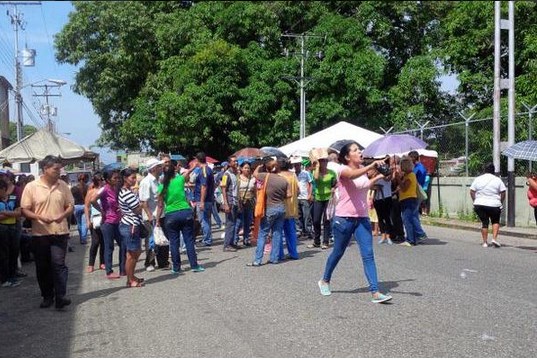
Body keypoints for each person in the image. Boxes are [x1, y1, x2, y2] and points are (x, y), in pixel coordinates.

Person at [317, 141, 392, 303]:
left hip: (362, 218)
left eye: (359, 149)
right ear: (346, 156)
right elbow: (351, 176)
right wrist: (371, 165)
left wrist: (380, 175)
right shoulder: (343, 170)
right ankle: (325, 280)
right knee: (338, 252)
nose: (360, 152)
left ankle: (375, 292)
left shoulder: (362, 172)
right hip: (344, 218)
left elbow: (363, 186)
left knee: (368, 254)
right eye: (355, 150)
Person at [20, 155, 75, 309]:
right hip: (40, 233)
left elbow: (70, 205)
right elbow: (25, 209)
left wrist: (62, 215)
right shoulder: (31, 187)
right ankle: (47, 296)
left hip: (60, 231)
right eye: (55, 169)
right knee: (43, 266)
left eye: (59, 169)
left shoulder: (62, 185)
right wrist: (39, 217)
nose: (59, 172)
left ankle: (60, 296)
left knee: (59, 264)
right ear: (45, 169)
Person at [156, 159, 204, 273]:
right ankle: (194, 266)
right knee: (189, 240)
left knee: (174, 242)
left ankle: (176, 267)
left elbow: (160, 205)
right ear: (175, 171)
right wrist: (194, 166)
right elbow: (187, 173)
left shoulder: (161, 187)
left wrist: (157, 220)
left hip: (171, 215)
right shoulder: (179, 180)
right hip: (185, 212)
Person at [247, 158, 289, 266]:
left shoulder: (266, 176)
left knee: (263, 234)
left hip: (270, 208)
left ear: (267, 168)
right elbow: (289, 195)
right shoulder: (284, 180)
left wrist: (258, 167)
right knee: (277, 233)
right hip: (281, 208)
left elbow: (255, 173)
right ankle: (274, 258)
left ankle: (257, 260)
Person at [91, 169, 126, 279]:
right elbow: (93, 200)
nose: (117, 180)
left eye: (118, 178)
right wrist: (102, 211)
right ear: (108, 180)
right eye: (114, 178)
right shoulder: (104, 189)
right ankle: (109, 271)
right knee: (109, 247)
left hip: (117, 221)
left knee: (123, 244)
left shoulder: (116, 189)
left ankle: (123, 269)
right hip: (107, 223)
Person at [118, 168, 145, 287]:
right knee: (132, 255)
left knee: (133, 253)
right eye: (132, 178)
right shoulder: (127, 193)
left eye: (135, 178)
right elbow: (137, 210)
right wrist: (143, 204)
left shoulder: (125, 191)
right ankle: (130, 279)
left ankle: (131, 277)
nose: (135, 180)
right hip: (131, 225)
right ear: (125, 178)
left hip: (129, 224)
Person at [470, 163, 506, 248]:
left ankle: (485, 242)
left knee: (484, 223)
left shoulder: (478, 179)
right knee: (495, 221)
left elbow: (472, 191)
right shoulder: (497, 180)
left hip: (480, 204)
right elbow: (503, 192)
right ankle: (494, 239)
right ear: (493, 170)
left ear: (484, 170)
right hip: (494, 204)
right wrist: (500, 202)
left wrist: (475, 200)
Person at [138, 158, 165, 272]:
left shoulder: (158, 180)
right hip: (151, 216)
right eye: (159, 166)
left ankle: (163, 262)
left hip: (160, 214)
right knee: (151, 240)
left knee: (161, 239)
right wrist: (149, 215)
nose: (161, 168)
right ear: (153, 168)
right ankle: (149, 262)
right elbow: (143, 202)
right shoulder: (146, 182)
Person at [308, 151, 337, 250]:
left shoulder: (332, 173)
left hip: (328, 198)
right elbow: (315, 179)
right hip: (318, 198)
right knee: (316, 220)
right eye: (322, 161)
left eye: (325, 161)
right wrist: (316, 167)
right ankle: (316, 241)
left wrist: (334, 188)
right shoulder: (315, 172)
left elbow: (335, 183)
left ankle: (325, 241)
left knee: (326, 220)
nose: (324, 163)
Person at [397, 156, 428, 247]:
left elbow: (404, 188)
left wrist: (398, 178)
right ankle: (413, 238)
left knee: (407, 220)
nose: (400, 167)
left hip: (408, 199)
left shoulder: (410, 175)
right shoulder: (407, 175)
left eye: (402, 165)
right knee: (410, 219)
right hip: (407, 199)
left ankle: (410, 239)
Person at [0, 177, 22, 288]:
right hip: (2, 229)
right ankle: (4, 278)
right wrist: (11, 213)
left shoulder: (13, 198)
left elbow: (19, 213)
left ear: (4, 189)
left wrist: (4, 212)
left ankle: (13, 276)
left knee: (14, 252)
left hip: (13, 227)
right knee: (4, 254)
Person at [190, 152, 215, 246]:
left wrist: (202, 201)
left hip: (203, 199)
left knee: (203, 220)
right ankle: (207, 237)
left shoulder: (203, 170)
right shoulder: (208, 169)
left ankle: (207, 239)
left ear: (197, 160)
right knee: (206, 220)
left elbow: (204, 186)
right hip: (208, 199)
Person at [278, 157, 300, 260]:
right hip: (292, 207)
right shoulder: (293, 175)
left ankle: (280, 254)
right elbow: (298, 190)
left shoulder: (278, 176)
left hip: (280, 206)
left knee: (278, 232)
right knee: (291, 231)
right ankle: (293, 253)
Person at [84, 173, 105, 273]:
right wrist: (88, 220)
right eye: (100, 180)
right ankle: (91, 264)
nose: (102, 181)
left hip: (105, 219)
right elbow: (87, 207)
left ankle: (102, 262)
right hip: (95, 219)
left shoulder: (105, 190)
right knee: (95, 242)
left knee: (104, 242)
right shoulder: (91, 192)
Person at [236, 160, 256, 246]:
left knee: (248, 221)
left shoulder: (252, 178)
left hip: (250, 201)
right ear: (241, 169)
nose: (247, 169)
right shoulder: (238, 178)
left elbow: (255, 190)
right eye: (245, 168)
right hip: (240, 202)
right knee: (239, 221)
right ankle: (235, 239)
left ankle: (246, 239)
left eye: (248, 168)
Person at [292, 157, 313, 239]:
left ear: (300, 165)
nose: (297, 166)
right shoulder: (292, 174)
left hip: (304, 196)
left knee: (307, 215)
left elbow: (311, 184)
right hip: (296, 197)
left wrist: (310, 194)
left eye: (298, 165)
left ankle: (309, 230)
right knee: (297, 215)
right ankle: (299, 230)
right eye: (295, 165)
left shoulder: (306, 173)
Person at [71, 173, 89, 244]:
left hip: (76, 207)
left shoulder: (74, 188)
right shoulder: (88, 187)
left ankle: (81, 237)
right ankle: (83, 239)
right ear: (85, 179)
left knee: (79, 223)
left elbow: (71, 199)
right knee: (84, 223)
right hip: (85, 206)